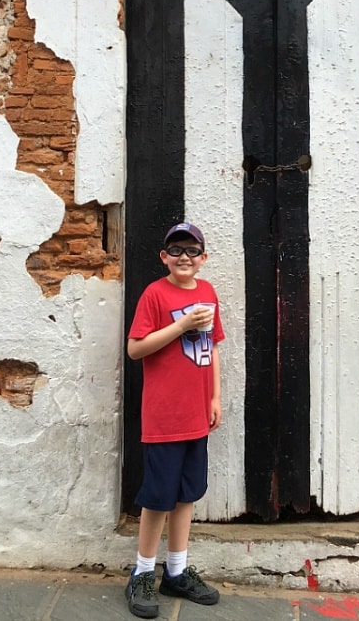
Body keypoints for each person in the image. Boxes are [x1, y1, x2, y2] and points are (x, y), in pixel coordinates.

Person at [125, 221, 224, 619]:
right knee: (158, 498)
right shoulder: (155, 294)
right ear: (164, 257)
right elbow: (136, 349)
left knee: (187, 494)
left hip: (196, 415)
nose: (184, 257)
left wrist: (215, 396)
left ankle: (177, 571)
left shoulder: (207, 292)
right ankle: (142, 572)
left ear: (203, 258)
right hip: (164, 417)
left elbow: (214, 347)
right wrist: (180, 325)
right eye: (176, 250)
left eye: (192, 250)